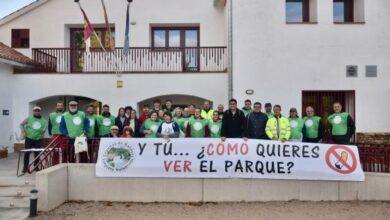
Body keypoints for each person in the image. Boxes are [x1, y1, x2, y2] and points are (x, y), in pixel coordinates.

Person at [20, 106, 48, 172]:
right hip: (29, 138)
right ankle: (25, 167)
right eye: (35, 111)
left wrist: (41, 134)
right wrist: (23, 131)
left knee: (37, 153)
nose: (37, 112)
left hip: (37, 139)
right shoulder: (29, 118)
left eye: (38, 111)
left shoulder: (44, 121)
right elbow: (21, 124)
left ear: (40, 112)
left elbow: (44, 130)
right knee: (27, 153)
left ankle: (36, 166)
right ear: (33, 111)